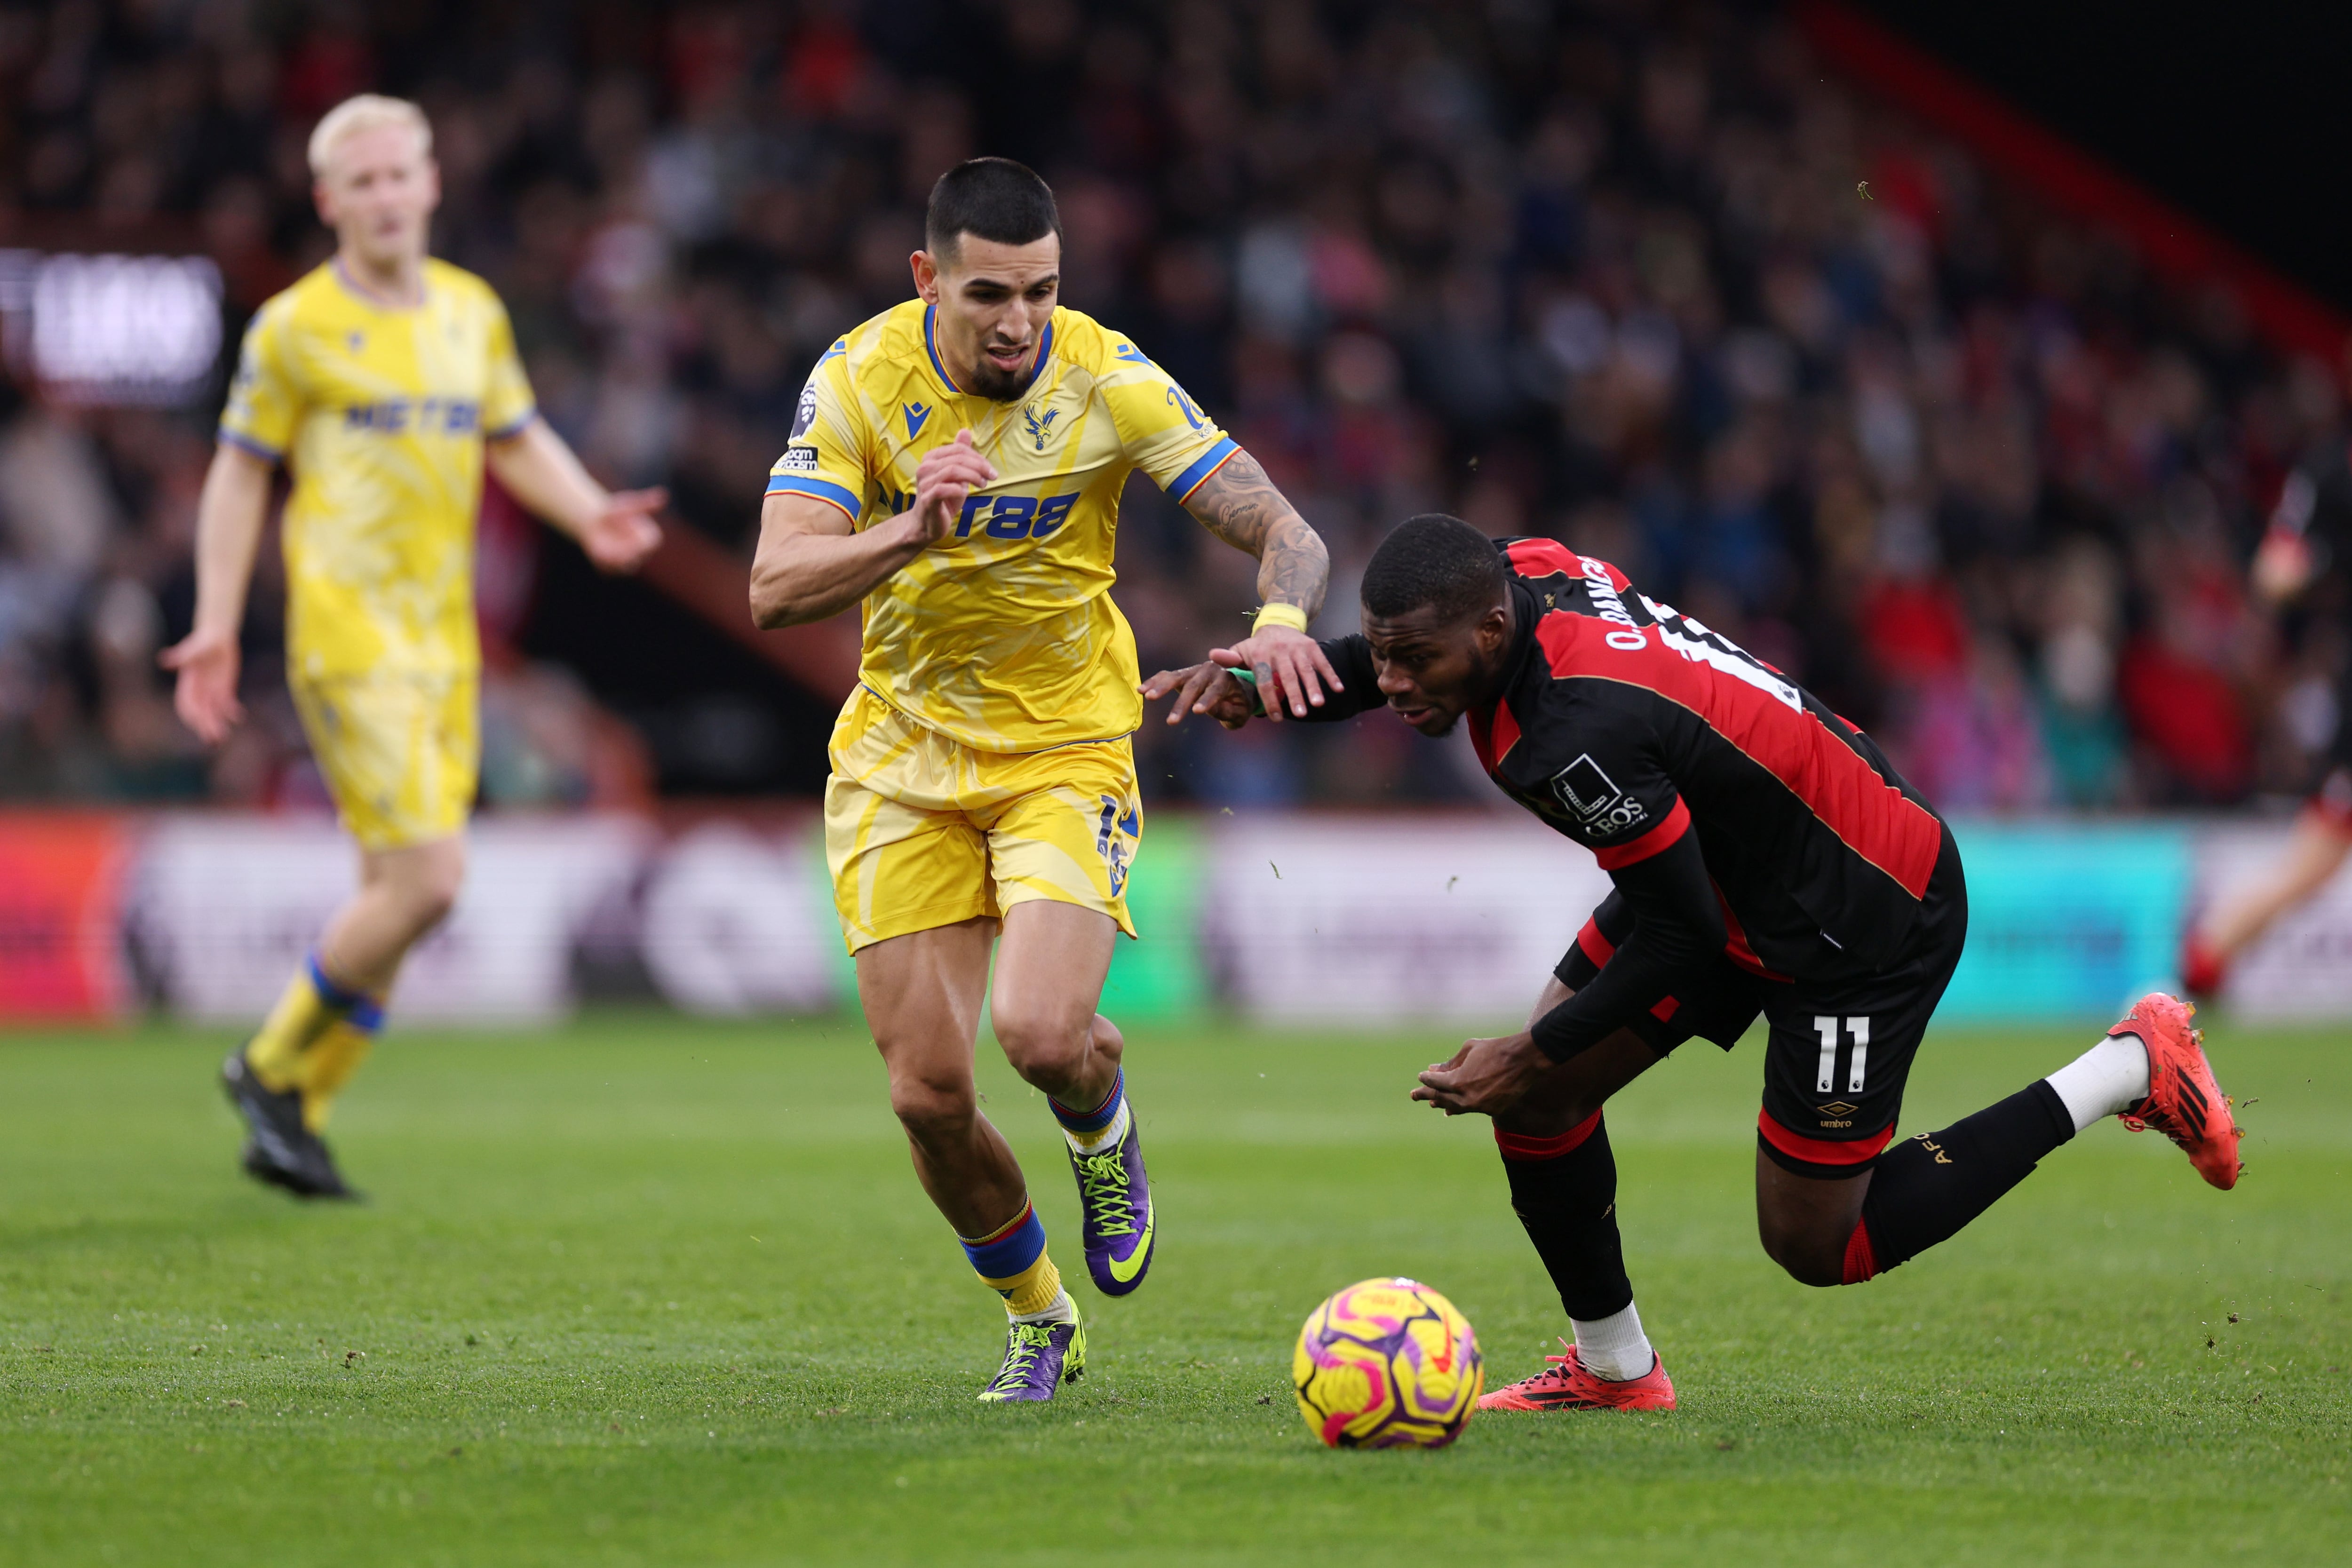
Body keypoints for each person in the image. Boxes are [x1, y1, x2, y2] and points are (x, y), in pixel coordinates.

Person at [1147, 514, 2240, 1411]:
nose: (1390, 682)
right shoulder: (1523, 573)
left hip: (1858, 913)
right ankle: (1614, 1369)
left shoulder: (1571, 733)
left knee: (1820, 1242)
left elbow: (1676, 932)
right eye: (1377, 652)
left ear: (1491, 627)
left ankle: (2129, 1065)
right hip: (1732, 867)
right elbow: (1672, 902)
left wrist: (1525, 1047)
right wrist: (1286, 684)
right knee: (1544, 1101)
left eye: (1413, 661)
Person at [748, 158, 1335, 1403]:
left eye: (1042, 291)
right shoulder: (859, 380)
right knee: (926, 1094)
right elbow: (771, 586)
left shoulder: (1106, 376)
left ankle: (1099, 1114)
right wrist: (911, 525)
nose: (1021, 320)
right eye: (990, 295)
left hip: (1065, 747)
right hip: (899, 762)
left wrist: (1282, 616)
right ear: (928, 282)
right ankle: (1041, 1316)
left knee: (1038, 1033)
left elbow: (1288, 527)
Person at [163, 95, 664, 1199]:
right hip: (348, 639)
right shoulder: (294, 328)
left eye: (403, 175)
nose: (388, 196)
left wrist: (587, 514)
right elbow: (242, 469)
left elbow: (514, 435)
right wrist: (211, 619)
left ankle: (298, 1109)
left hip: (448, 645)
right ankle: (267, 1065)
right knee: (433, 880)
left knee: (393, 885)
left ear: (433, 185)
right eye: (366, 181)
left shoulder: (469, 312)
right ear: (328, 200)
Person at [2178, 463, 2352, 1000]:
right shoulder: (2329, 475)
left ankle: (2205, 957)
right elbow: (2275, 574)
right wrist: (2324, 556)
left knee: (2316, 855)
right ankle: (2202, 960)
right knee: (2316, 856)